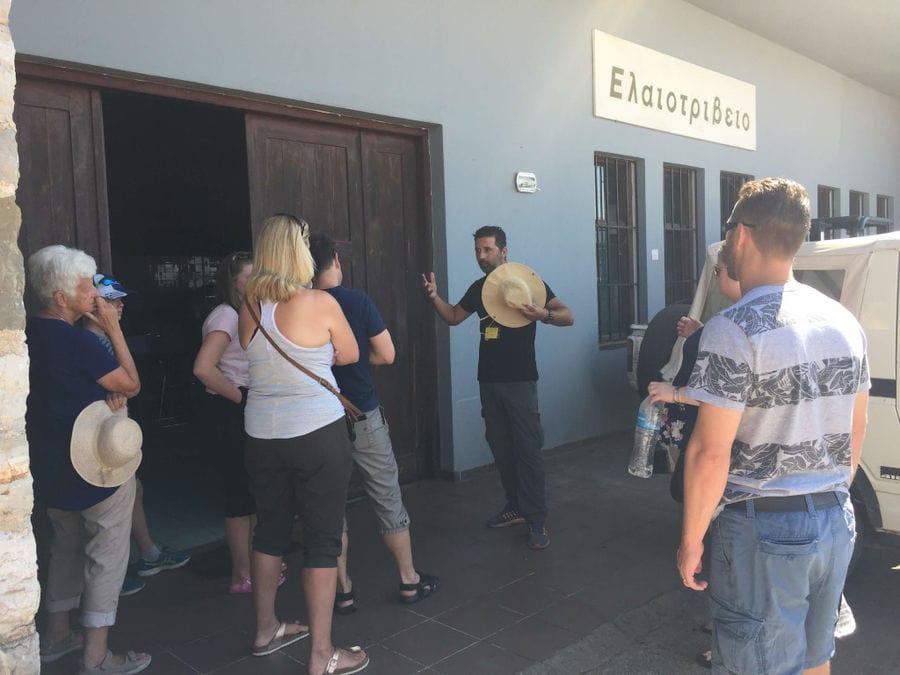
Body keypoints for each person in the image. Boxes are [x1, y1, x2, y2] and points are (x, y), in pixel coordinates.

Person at [677, 178, 869, 674]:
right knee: (814, 659)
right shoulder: (845, 321)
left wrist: (692, 539)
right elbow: (856, 428)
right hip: (834, 518)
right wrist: (826, 497)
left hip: (763, 526)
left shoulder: (733, 328)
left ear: (740, 235)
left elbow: (709, 453)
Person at [238, 214, 369, 674]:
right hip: (316, 432)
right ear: (299, 252)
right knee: (321, 540)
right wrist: (324, 348)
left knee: (269, 530)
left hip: (261, 434)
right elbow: (351, 353)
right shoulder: (319, 302)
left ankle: (264, 629)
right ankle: (321, 654)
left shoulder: (249, 305)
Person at [26, 245, 151, 674]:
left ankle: (56, 635)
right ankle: (97, 656)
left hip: (47, 460)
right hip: (92, 464)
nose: (95, 296)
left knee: (65, 544)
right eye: (86, 289)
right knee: (107, 552)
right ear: (61, 297)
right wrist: (113, 329)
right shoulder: (78, 341)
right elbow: (131, 383)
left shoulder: (26, 333)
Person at [421, 225, 573, 550]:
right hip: (488, 381)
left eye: (487, 250)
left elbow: (567, 315)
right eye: (477, 250)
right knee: (501, 448)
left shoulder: (529, 283)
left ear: (504, 250)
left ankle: (536, 518)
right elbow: (452, 317)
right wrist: (434, 297)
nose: (481, 256)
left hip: (520, 381)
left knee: (527, 449)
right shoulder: (479, 288)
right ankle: (515, 505)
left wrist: (543, 314)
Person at [309, 233, 439, 612]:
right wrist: (358, 361)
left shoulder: (296, 305)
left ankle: (343, 590)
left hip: (320, 421)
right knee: (387, 496)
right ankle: (408, 580)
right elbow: (388, 354)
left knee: (331, 508)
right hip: (362, 413)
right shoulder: (356, 301)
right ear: (336, 260)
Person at [84, 273, 191, 597]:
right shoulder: (95, 342)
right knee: (103, 514)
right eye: (113, 301)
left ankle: (149, 554)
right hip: (99, 438)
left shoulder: (100, 340)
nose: (121, 306)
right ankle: (108, 581)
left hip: (110, 436)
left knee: (133, 490)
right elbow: (128, 384)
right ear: (95, 305)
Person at [192, 252, 274, 595]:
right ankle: (242, 576)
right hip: (232, 410)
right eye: (249, 277)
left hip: (242, 408)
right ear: (232, 281)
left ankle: (252, 567)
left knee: (249, 492)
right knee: (239, 496)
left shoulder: (243, 312)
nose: (256, 283)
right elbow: (203, 368)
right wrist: (241, 398)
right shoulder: (226, 316)